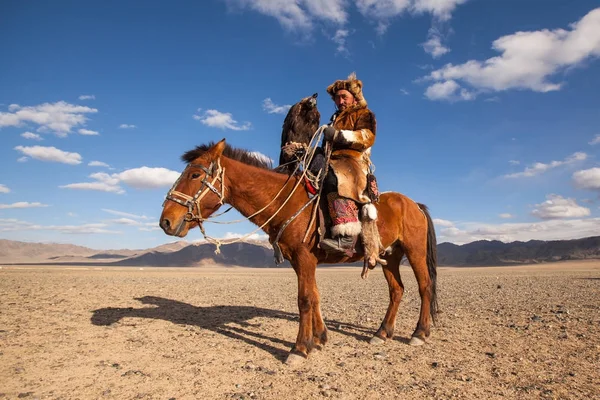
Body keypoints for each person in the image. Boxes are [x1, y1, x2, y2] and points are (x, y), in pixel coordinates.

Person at [311, 72, 378, 255]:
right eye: (337, 98)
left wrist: (339, 135)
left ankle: (346, 237)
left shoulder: (364, 114)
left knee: (333, 180)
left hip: (353, 161)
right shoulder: (334, 119)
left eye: (344, 97)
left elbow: (367, 137)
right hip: (331, 159)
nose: (340, 101)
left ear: (354, 98)